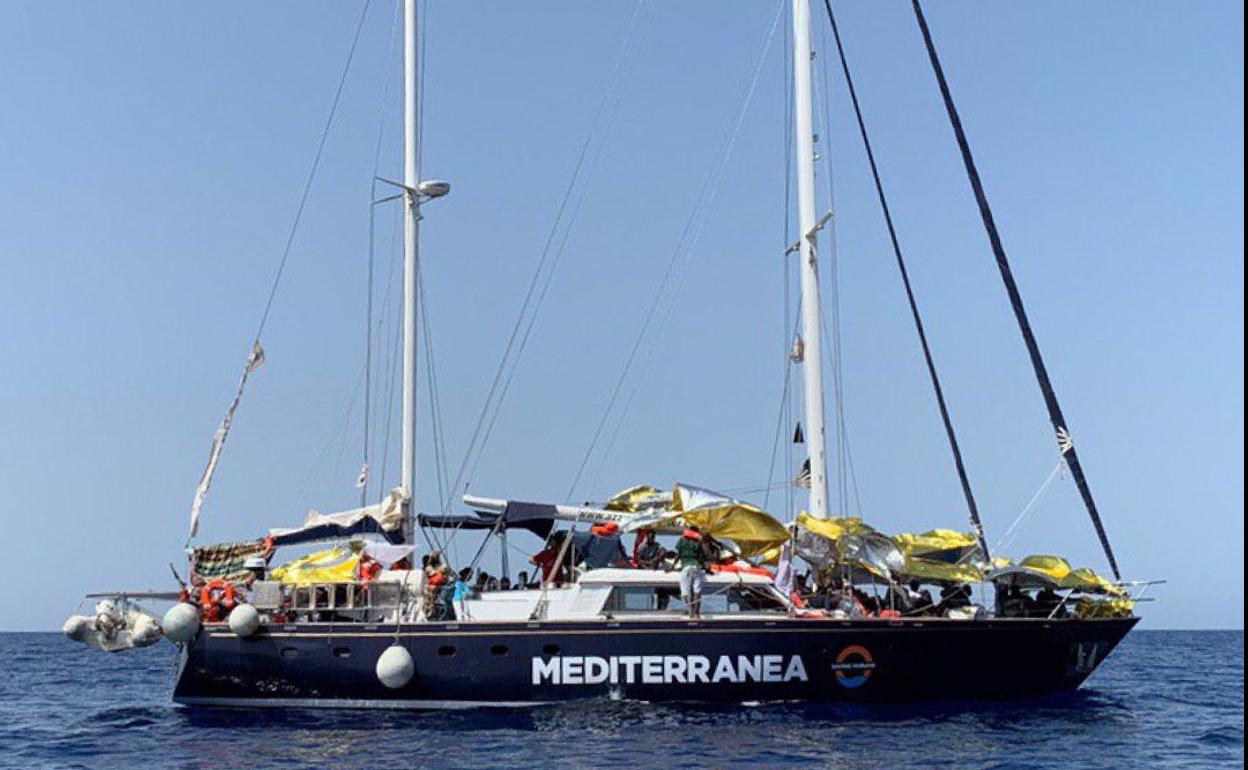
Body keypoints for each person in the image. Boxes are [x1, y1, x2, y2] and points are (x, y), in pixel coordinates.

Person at [676, 526, 708, 618]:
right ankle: (697, 613)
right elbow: (702, 556)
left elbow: (678, 554)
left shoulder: (682, 540)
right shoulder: (698, 542)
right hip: (697, 567)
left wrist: (672, 565)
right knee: (697, 590)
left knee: (685, 591)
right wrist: (705, 567)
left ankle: (691, 612)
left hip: (686, 567)